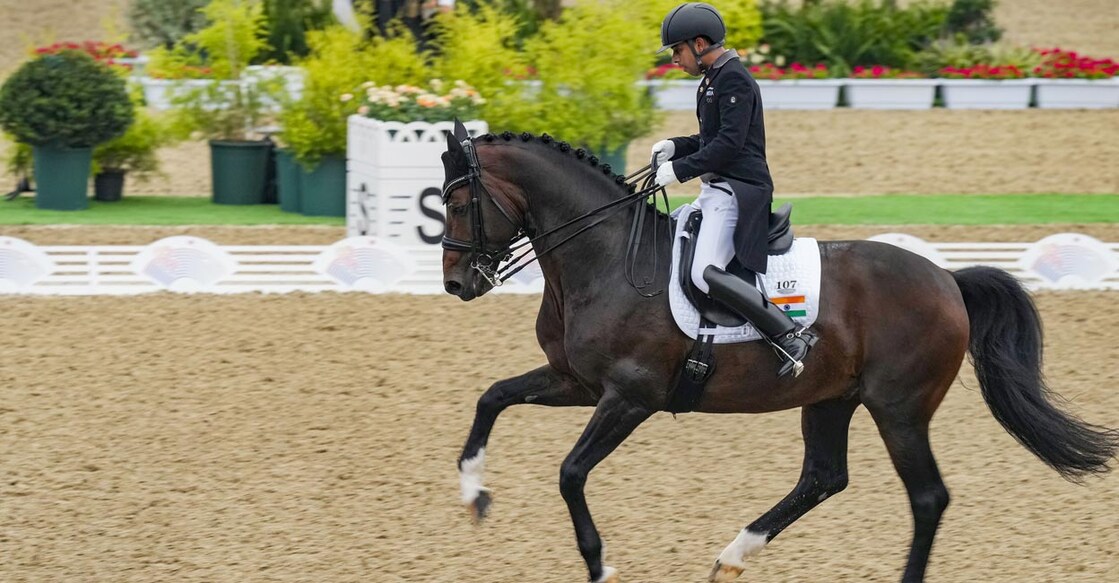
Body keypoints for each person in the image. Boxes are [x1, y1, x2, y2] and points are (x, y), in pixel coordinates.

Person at [651, 2, 817, 378]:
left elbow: (728, 146)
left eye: (677, 51)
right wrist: (676, 146)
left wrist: (679, 170)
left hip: (739, 191)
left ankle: (788, 336)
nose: (675, 59)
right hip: (716, 189)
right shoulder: (712, 78)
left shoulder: (735, 79)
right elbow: (710, 139)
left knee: (703, 272)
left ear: (698, 43)